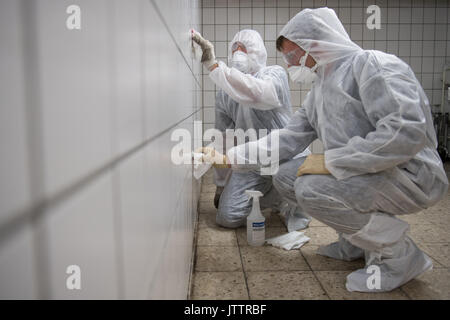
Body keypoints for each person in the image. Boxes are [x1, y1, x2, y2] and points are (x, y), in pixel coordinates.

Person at [199, 8, 449, 292]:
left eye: (292, 55)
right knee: (286, 177)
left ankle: (399, 256)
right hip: (367, 172)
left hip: (410, 174)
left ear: (317, 44)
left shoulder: (372, 65)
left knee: (311, 188)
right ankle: (356, 242)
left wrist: (332, 161)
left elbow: (405, 132)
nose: (290, 63)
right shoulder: (319, 90)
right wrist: (228, 157)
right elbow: (288, 137)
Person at [192, 29, 311, 231]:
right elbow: (224, 137)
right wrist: (221, 185)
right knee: (227, 217)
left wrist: (213, 66)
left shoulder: (274, 74)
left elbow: (257, 94)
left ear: (258, 51)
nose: (238, 53)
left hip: (285, 156)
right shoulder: (224, 93)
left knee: (288, 181)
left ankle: (286, 198)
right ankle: (270, 196)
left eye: (244, 48)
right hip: (251, 160)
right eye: (234, 48)